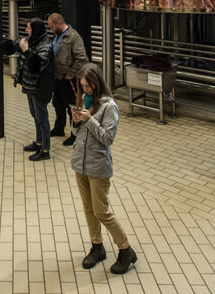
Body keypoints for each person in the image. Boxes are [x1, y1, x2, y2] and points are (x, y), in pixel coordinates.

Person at [71, 64, 138, 275]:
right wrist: (75, 123)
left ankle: (126, 250)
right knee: (88, 208)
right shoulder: (84, 100)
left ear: (97, 83)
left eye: (88, 86)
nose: (86, 90)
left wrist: (89, 120)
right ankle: (97, 246)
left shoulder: (109, 107)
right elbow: (78, 132)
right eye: (82, 86)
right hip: (80, 162)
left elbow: (108, 138)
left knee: (102, 211)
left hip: (98, 165)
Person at [0, 18, 55, 161]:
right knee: (35, 115)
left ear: (36, 30)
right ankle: (39, 142)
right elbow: (14, 44)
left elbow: (38, 65)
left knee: (42, 118)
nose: (26, 31)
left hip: (39, 87)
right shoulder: (31, 39)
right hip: (30, 85)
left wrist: (26, 51)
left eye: (29, 28)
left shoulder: (46, 45)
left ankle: (45, 149)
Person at [48, 13, 88, 146]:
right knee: (57, 103)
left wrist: (71, 73)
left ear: (59, 23)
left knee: (72, 107)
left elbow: (82, 58)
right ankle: (59, 128)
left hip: (69, 79)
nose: (51, 28)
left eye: (52, 26)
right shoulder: (57, 36)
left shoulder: (73, 37)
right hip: (57, 77)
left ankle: (75, 134)